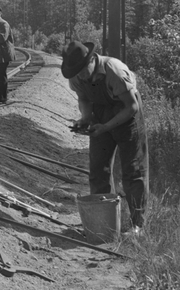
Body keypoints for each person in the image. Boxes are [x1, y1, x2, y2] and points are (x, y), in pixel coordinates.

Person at [61, 40, 148, 233]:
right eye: (76, 73)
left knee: (133, 171)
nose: (81, 76)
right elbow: (84, 98)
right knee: (98, 169)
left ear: (92, 59)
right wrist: (85, 118)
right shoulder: (76, 76)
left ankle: (138, 225)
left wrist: (106, 127)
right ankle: (103, 222)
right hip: (100, 113)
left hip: (127, 114)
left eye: (83, 70)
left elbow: (131, 106)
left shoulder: (114, 70)